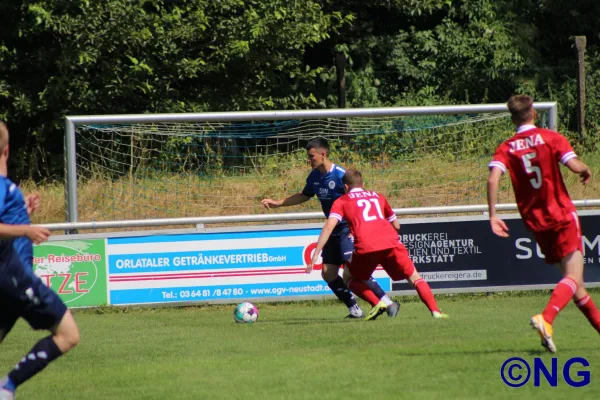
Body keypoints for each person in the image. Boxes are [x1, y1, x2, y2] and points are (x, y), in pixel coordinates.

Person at [487, 94, 600, 353]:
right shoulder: (551, 138)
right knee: (574, 277)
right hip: (560, 214)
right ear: (534, 113)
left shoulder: (506, 147)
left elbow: (493, 178)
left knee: (576, 286)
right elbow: (573, 165)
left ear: (513, 118)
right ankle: (546, 319)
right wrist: (585, 168)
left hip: (536, 221)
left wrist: (493, 215)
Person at [261, 137, 398, 319]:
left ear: (323, 154)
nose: (308, 160)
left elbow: (360, 199)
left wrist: (357, 227)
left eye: (311, 156)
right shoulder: (315, 176)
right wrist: (278, 203)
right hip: (332, 231)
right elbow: (304, 195)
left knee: (353, 272)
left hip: (347, 229)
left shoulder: (341, 175)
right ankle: (355, 309)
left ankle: (387, 303)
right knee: (328, 273)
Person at [0, 120, 80, 399]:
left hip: (11, 277)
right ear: (7, 150)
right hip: (14, 278)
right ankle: (7, 387)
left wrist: (23, 212)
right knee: (68, 334)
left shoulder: (7, 190)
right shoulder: (1, 186)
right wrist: (26, 228)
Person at [307, 169, 449, 320]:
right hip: (390, 242)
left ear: (346, 187)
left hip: (366, 245)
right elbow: (396, 225)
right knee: (414, 277)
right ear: (363, 184)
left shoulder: (342, 201)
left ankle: (378, 303)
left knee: (349, 278)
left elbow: (329, 227)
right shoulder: (378, 196)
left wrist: (316, 253)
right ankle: (435, 311)